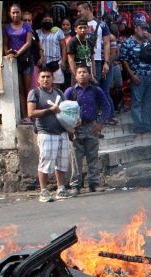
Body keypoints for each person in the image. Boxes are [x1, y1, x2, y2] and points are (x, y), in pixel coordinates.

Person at [64, 65, 112, 194]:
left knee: (93, 156)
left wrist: (100, 123)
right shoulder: (70, 92)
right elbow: (62, 110)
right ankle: (75, 186)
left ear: (89, 75)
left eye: (84, 72)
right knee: (76, 158)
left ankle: (94, 184)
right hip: (76, 128)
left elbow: (106, 106)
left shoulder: (96, 90)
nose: (82, 74)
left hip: (92, 126)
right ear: (75, 76)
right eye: (79, 72)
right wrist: (69, 127)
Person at [28, 67, 73, 202]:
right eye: (43, 77)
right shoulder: (35, 93)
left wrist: (72, 126)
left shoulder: (59, 92)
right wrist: (50, 110)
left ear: (52, 79)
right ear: (38, 79)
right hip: (46, 132)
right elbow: (31, 113)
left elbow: (66, 110)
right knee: (45, 163)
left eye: (48, 77)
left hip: (62, 132)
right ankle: (44, 191)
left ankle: (61, 189)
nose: (45, 79)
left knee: (62, 163)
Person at [119, 21, 151, 134]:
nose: (144, 31)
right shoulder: (128, 42)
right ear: (136, 29)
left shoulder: (148, 41)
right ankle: (138, 125)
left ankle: (147, 125)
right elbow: (124, 60)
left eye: (146, 29)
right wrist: (131, 75)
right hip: (137, 75)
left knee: (149, 101)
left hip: (150, 74)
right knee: (137, 102)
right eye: (142, 29)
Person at [77, 1, 112, 108]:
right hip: (82, 61)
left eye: (80, 11)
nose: (78, 13)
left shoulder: (101, 24)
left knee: (98, 88)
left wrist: (106, 62)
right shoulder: (78, 25)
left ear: (87, 9)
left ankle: (107, 114)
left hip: (97, 61)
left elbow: (107, 44)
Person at [4, 4, 34, 122]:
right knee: (19, 89)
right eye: (13, 13)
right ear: (9, 14)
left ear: (21, 13)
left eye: (17, 12)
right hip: (14, 61)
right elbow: (5, 43)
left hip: (26, 59)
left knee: (28, 89)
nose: (15, 15)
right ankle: (24, 115)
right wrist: (8, 53)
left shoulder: (26, 26)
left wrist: (18, 53)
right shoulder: (7, 27)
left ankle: (30, 114)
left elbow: (28, 43)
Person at [36, 13, 67, 90]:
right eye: (45, 20)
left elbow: (63, 47)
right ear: (41, 22)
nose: (47, 21)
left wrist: (63, 61)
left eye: (50, 20)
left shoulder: (58, 31)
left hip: (56, 63)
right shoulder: (37, 32)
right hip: (42, 64)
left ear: (53, 22)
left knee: (56, 87)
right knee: (43, 86)